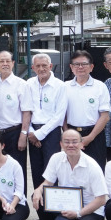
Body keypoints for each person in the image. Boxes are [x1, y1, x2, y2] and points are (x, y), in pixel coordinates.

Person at [33, 129, 109, 220]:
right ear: (61, 144)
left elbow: (101, 199)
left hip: (89, 208)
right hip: (66, 202)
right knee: (38, 196)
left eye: (74, 142)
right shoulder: (56, 158)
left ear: (81, 144)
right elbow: (48, 182)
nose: (71, 145)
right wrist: (38, 190)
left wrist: (78, 213)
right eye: (67, 142)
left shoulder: (92, 166)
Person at [0, 51, 31, 190]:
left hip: (14, 133)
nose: (5, 64)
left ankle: (19, 203)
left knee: (17, 170)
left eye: (8, 61)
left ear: (13, 63)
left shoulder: (21, 84)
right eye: (1, 61)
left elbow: (26, 112)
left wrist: (23, 134)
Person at [26, 53, 67, 190]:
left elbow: (59, 115)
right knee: (36, 171)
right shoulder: (29, 84)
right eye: (38, 66)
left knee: (51, 172)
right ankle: (40, 208)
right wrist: (32, 133)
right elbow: (26, 110)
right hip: (32, 133)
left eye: (44, 65)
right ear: (33, 67)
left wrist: (40, 134)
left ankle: (52, 208)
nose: (41, 68)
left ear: (50, 66)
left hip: (51, 132)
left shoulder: (60, 86)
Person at [64, 50, 111, 168]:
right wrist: (67, 133)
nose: (80, 67)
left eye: (84, 64)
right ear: (71, 67)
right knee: (71, 170)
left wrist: (90, 137)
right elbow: (61, 114)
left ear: (91, 67)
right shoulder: (64, 87)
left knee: (96, 169)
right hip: (71, 135)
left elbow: (105, 116)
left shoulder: (100, 86)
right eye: (76, 64)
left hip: (94, 135)